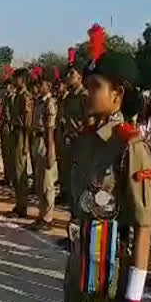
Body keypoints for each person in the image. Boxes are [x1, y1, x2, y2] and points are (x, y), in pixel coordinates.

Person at [65, 34, 151, 302]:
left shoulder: (130, 146)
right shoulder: (85, 139)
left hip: (111, 280)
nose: (87, 92)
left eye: (95, 86)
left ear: (117, 94)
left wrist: (133, 299)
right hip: (79, 269)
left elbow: (143, 224)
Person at [29, 67, 58, 231]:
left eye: (41, 84)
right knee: (39, 181)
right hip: (37, 140)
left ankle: (48, 217)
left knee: (47, 183)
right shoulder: (39, 101)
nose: (38, 87)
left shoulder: (49, 103)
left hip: (46, 141)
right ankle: (41, 215)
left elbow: (50, 129)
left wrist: (51, 150)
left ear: (48, 85)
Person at [59, 58, 89, 206]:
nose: (68, 76)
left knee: (80, 180)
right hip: (69, 141)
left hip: (81, 142)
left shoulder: (85, 96)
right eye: (68, 73)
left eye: (72, 73)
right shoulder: (69, 97)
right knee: (69, 177)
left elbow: (89, 122)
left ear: (80, 77)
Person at [6, 68, 32, 218]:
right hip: (14, 133)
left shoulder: (25, 97)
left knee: (20, 172)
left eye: (16, 78)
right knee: (15, 170)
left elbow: (27, 122)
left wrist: (26, 142)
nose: (14, 81)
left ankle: (23, 207)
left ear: (22, 80)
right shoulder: (16, 97)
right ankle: (19, 203)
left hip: (22, 134)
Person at [0, 68, 16, 187]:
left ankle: (12, 178)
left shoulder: (14, 98)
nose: (7, 89)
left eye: (9, 86)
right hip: (4, 126)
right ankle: (6, 176)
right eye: (5, 87)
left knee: (11, 155)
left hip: (11, 127)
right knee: (4, 153)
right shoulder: (5, 98)